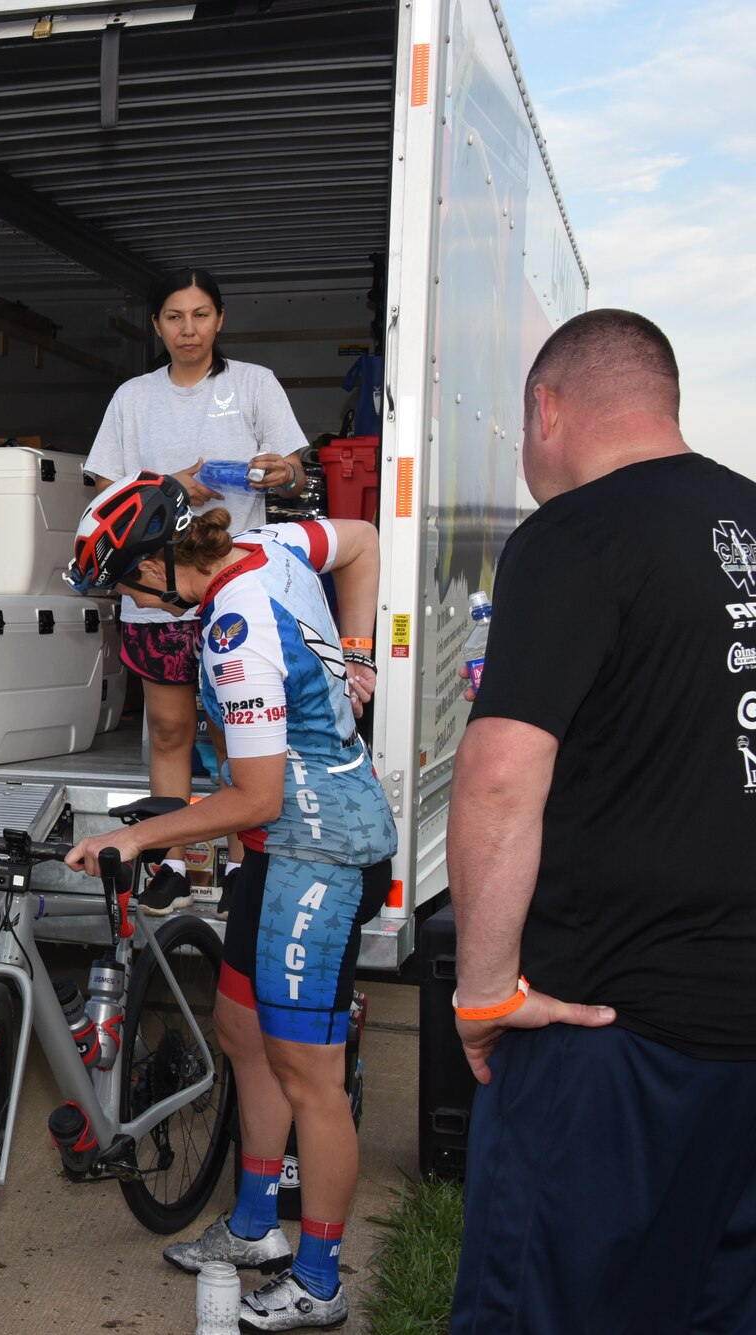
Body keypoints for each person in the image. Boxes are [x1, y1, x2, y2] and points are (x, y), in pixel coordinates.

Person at [446, 310, 756, 1332]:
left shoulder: (574, 534)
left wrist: (484, 990)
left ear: (545, 407)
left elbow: (498, 774)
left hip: (610, 1034)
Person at [62, 472, 393, 1331]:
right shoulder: (273, 544)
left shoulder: (237, 629)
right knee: (243, 1031)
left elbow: (254, 796)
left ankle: (320, 1280)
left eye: (129, 583)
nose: (131, 602)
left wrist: (137, 839)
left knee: (309, 1072)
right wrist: (356, 653)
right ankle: (255, 1229)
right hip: (277, 850)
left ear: (165, 562)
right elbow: (359, 540)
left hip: (320, 849)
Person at [84, 268, 314, 914]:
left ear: (221, 320)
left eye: (201, 314)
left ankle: (244, 863)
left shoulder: (253, 385)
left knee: (233, 730)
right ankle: (174, 866)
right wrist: (173, 487)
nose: (189, 329)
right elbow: (103, 491)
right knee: (168, 727)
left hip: (231, 592)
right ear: (157, 325)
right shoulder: (133, 396)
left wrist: (281, 470)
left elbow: (296, 472)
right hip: (155, 588)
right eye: (175, 317)